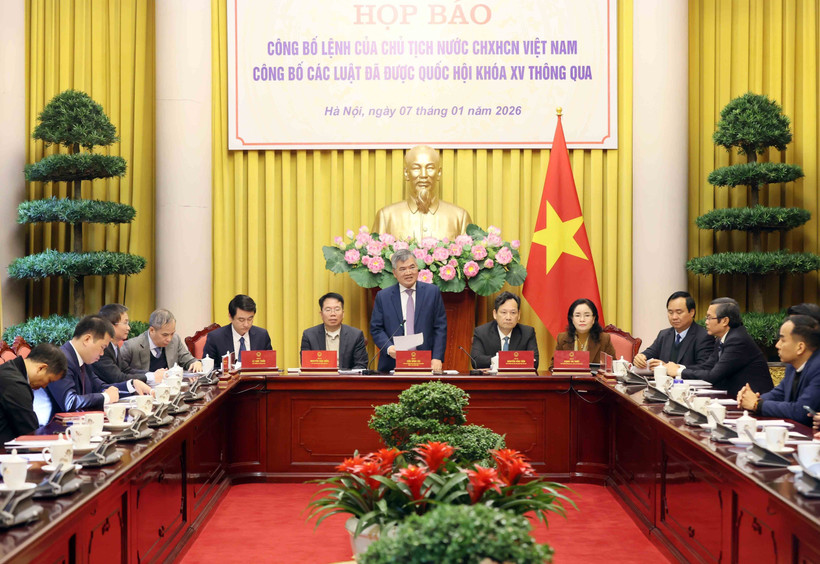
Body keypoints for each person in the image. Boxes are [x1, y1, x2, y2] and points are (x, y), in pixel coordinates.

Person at [46, 316, 152, 416]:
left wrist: (132, 385)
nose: (102, 354)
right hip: (56, 427)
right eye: (102, 347)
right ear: (87, 339)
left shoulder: (83, 360)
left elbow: (100, 387)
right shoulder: (60, 359)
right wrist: (105, 397)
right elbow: (70, 402)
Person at [665, 297, 772, 396]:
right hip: (734, 397)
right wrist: (679, 367)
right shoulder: (722, 338)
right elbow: (708, 366)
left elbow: (713, 376)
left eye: (709, 318)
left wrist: (679, 372)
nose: (706, 322)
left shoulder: (737, 340)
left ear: (725, 321)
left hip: (755, 400)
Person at [370, 249, 447, 373]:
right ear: (394, 273)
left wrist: (437, 357)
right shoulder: (383, 297)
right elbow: (376, 328)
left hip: (426, 362)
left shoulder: (432, 292)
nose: (408, 272)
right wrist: (389, 348)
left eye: (412, 267)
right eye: (402, 269)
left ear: (417, 268)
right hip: (393, 363)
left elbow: (440, 327)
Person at [372, 145, 472, 241]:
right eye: (416, 168)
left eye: (430, 168)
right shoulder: (386, 216)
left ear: (439, 173)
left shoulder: (459, 217)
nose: (423, 175)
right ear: (406, 173)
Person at [736, 315, 820, 425]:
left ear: (800, 347)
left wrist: (757, 404)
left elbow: (802, 411)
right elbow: (778, 395)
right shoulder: (792, 367)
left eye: (782, 340)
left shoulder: (817, 368)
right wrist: (749, 399)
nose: (777, 345)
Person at [0, 343, 66, 444]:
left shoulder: (11, 369)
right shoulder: (16, 384)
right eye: (49, 380)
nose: (44, 386)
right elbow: (30, 432)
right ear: (41, 368)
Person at [633, 291, 714, 371]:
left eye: (679, 312)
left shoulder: (704, 336)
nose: (674, 317)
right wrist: (641, 357)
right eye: (670, 312)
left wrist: (673, 369)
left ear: (692, 312)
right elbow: (649, 353)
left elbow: (704, 368)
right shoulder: (664, 335)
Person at [120, 309, 203, 375]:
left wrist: (196, 363)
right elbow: (119, 374)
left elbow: (188, 359)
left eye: (172, 333)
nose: (169, 339)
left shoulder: (175, 340)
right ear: (152, 330)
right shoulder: (131, 346)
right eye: (165, 335)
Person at [470, 291, 539, 369]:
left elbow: (534, 362)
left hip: (517, 377)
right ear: (495, 314)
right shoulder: (481, 332)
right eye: (504, 312)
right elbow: (475, 361)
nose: (508, 317)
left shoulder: (527, 333)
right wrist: (503, 360)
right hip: (492, 377)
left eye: (513, 312)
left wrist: (501, 360)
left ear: (519, 315)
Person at [301, 292, 368, 370]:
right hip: (320, 377)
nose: (333, 314)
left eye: (337, 309)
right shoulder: (309, 335)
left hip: (346, 377)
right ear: (321, 314)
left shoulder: (355, 335)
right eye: (328, 310)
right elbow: (306, 365)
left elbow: (360, 365)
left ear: (343, 313)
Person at [202, 294, 273, 361]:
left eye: (250, 319)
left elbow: (270, 364)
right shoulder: (216, 337)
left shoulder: (262, 336)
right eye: (241, 320)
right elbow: (208, 366)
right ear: (230, 317)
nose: (246, 324)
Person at [91, 303, 147, 384]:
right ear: (110, 325)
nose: (128, 328)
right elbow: (118, 378)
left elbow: (126, 370)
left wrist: (152, 374)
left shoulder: (114, 345)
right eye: (125, 323)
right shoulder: (103, 349)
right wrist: (149, 377)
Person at [551, 298, 615, 368]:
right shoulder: (562, 338)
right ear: (572, 319)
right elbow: (553, 367)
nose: (582, 320)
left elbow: (612, 367)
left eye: (587, 315)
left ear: (593, 319)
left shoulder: (604, 339)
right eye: (577, 315)